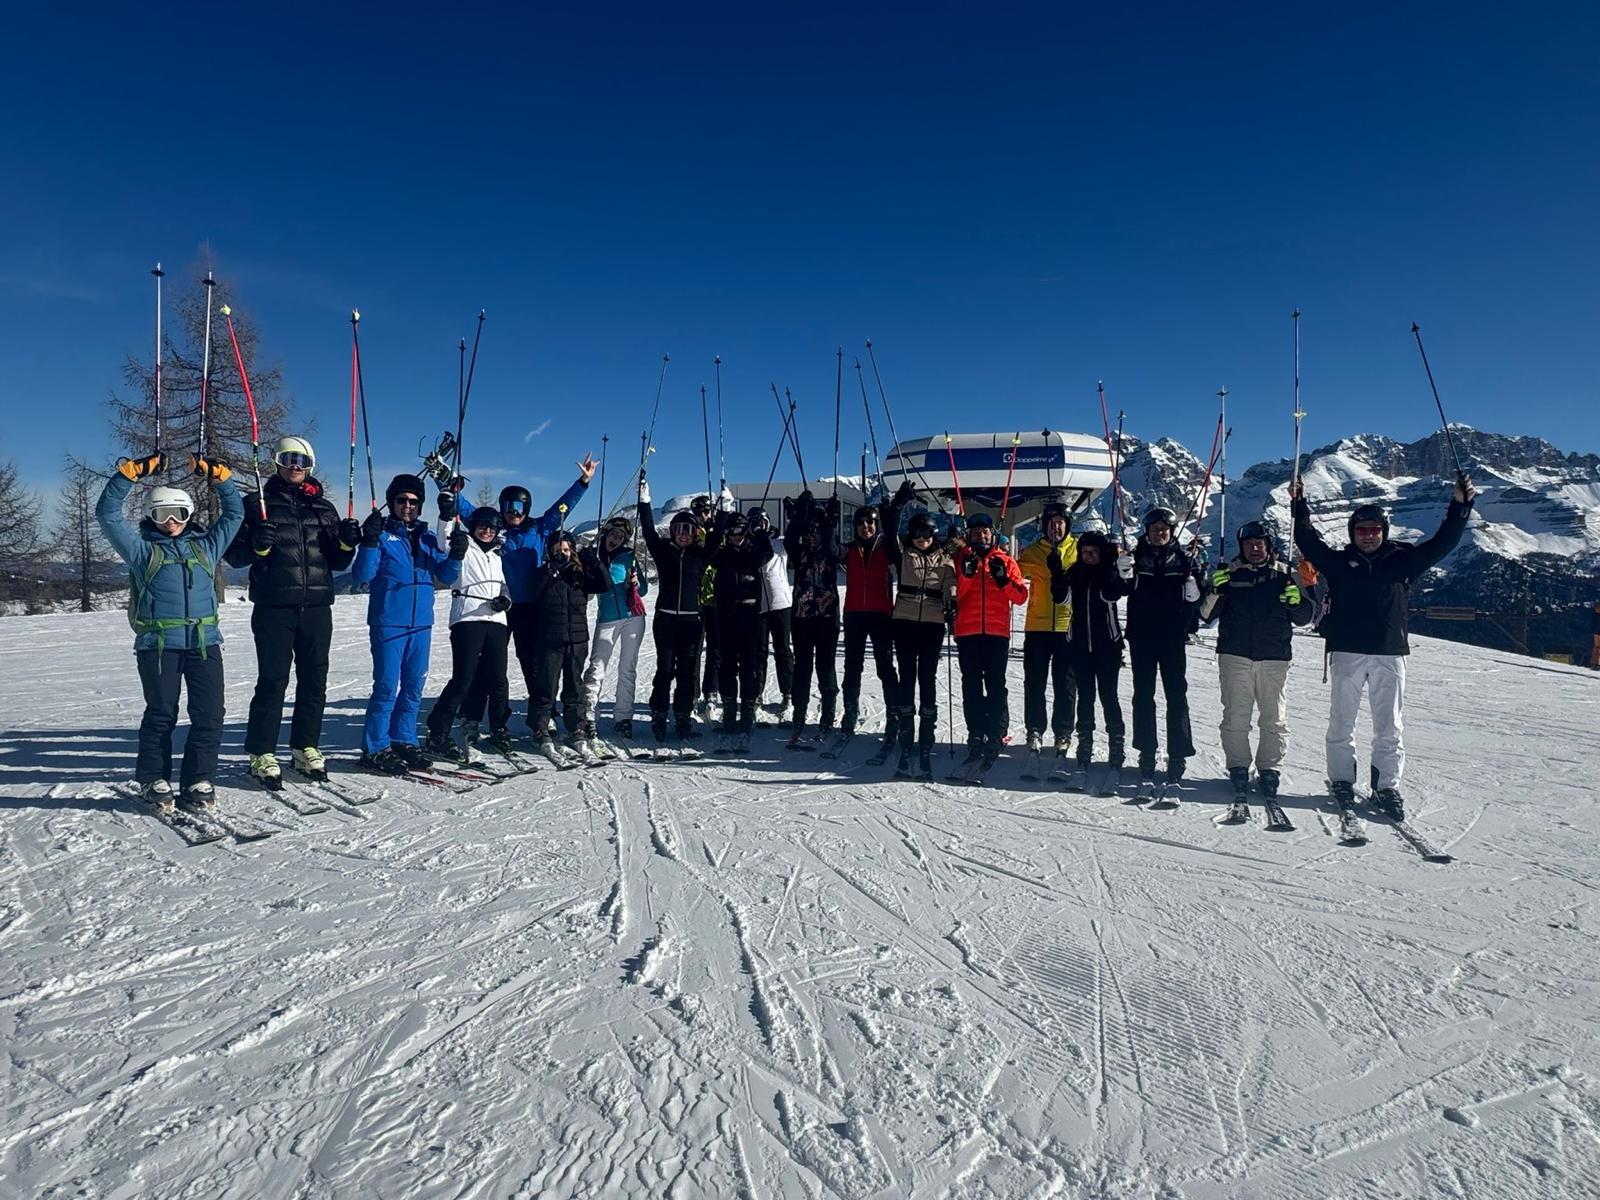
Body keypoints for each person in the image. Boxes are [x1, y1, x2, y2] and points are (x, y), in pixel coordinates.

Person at [1292, 476, 1476, 819]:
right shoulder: (1338, 562)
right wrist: (1299, 502)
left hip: (1390, 653)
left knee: (1389, 725)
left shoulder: (1403, 561)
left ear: (1384, 531)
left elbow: (1443, 543)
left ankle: (1386, 787)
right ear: (1352, 533)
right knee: (1341, 721)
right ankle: (1342, 782)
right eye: (1361, 530)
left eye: (1374, 529)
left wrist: (1461, 505)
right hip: (1346, 650)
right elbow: (1307, 540)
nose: (1368, 535)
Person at [97, 452, 243, 809]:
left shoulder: (207, 547)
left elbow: (235, 513)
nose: (172, 521)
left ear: (190, 514)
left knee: (210, 714)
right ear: (152, 516)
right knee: (161, 712)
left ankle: (198, 779)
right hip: (159, 645)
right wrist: (128, 476)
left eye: (179, 513)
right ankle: (154, 778)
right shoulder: (143, 552)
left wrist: (219, 478)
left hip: (205, 644)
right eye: (163, 514)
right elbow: (107, 515)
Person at [224, 436, 360, 787]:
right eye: (288, 458)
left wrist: (347, 541)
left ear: (310, 464)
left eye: (301, 460)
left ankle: (305, 746)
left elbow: (339, 561)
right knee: (273, 680)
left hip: (316, 606)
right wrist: (259, 546)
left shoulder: (324, 508)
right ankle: (262, 752)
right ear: (276, 462)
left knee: (315, 681)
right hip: (274, 606)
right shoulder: (256, 504)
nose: (295, 466)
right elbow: (235, 556)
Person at [453, 457, 594, 736]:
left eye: (518, 507)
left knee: (535, 664)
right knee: (487, 664)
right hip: (497, 608)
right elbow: (467, 510)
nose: (513, 512)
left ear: (526, 508)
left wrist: (583, 482)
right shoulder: (494, 529)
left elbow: (561, 508)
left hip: (532, 607)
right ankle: (472, 714)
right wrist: (449, 487)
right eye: (508, 506)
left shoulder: (539, 529)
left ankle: (543, 713)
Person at [352, 474, 466, 774]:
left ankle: (403, 738)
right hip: (389, 623)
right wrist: (369, 540)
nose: (407, 506)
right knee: (387, 686)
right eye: (401, 501)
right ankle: (375, 746)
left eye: (414, 502)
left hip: (421, 624)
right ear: (391, 503)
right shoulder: (383, 536)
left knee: (414, 685)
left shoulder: (428, 539)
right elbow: (363, 575)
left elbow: (447, 575)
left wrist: (456, 554)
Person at [1198, 520, 1313, 799]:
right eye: (1249, 545)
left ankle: (1270, 769)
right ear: (1242, 548)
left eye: (1259, 544)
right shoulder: (1230, 574)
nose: (1255, 549)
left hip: (1274, 657)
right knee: (1236, 716)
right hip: (1234, 655)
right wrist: (1215, 589)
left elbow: (1305, 617)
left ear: (1268, 546)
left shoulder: (1285, 574)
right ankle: (1238, 766)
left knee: (1274, 719)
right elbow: (1204, 615)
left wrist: (1297, 600)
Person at [423, 506, 513, 761]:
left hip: (496, 620)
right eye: (483, 526)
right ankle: (437, 731)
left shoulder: (496, 556)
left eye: (492, 528)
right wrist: (445, 515)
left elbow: (503, 585)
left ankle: (499, 727)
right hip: (468, 618)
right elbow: (444, 539)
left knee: (498, 679)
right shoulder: (464, 546)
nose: (487, 531)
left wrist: (506, 601)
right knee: (464, 678)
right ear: (474, 526)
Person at [1124, 506, 1201, 796]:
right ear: (1147, 531)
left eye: (1164, 530)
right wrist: (1123, 574)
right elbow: (1120, 588)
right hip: (1142, 636)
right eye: (1155, 529)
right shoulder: (1134, 557)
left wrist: (1196, 590)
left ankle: (1178, 753)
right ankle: (1146, 750)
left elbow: (1197, 598)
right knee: (1143, 695)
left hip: (1172, 637)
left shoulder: (1184, 560)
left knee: (1176, 695)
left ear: (1171, 533)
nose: (1159, 533)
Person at [1051, 529, 1130, 789]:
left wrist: (1113, 570)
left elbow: (1113, 595)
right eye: (1085, 552)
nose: (1089, 556)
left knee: (1109, 697)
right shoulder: (1076, 573)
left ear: (1102, 552)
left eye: (1094, 552)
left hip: (1107, 646)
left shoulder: (1108, 573)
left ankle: (1116, 752)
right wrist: (1057, 575)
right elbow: (1061, 600)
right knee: (1085, 697)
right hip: (1080, 646)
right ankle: (1084, 750)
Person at [950, 513, 1029, 774]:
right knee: (971, 685)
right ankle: (975, 732)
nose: (980, 536)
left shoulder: (1005, 561)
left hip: (996, 633)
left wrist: (1003, 580)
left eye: (985, 532)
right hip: (968, 631)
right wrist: (968, 574)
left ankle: (997, 732)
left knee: (996, 685)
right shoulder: (961, 560)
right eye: (975, 533)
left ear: (992, 534)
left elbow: (1019, 597)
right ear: (969, 536)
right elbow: (954, 594)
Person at [638, 478, 711, 748]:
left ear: (694, 533)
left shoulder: (700, 554)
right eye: (678, 528)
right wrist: (645, 500)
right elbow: (647, 529)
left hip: (692, 621)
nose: (683, 533)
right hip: (666, 619)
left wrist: (722, 514)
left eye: (688, 529)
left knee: (687, 672)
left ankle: (683, 717)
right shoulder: (664, 551)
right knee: (665, 669)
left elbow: (716, 539)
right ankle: (659, 714)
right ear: (672, 531)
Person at [838, 481, 912, 743]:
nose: (866, 527)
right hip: (855, 614)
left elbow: (893, 536)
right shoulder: (848, 550)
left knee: (884, 667)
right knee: (852, 667)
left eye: (870, 522)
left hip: (882, 615)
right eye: (861, 523)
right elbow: (827, 547)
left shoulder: (887, 549)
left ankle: (893, 714)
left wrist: (895, 509)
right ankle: (850, 711)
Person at [525, 528, 608, 760]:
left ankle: (576, 727)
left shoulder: (579, 573)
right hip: (550, 639)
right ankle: (540, 726)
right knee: (546, 686)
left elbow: (604, 585)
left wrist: (595, 562)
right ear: (550, 551)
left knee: (575, 687)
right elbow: (533, 592)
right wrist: (551, 570)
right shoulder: (544, 573)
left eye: (567, 549)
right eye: (558, 549)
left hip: (577, 640)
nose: (563, 553)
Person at [889, 510, 956, 777]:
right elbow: (889, 528)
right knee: (906, 675)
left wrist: (952, 603)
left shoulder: (945, 558)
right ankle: (906, 734)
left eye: (926, 533)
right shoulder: (904, 554)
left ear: (934, 534)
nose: (921, 539)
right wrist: (895, 505)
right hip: (904, 620)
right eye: (916, 534)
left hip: (932, 622)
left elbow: (951, 582)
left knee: (927, 677)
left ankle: (927, 735)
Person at [706, 497, 776, 743]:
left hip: (749, 615)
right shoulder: (722, 554)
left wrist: (759, 532)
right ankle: (729, 710)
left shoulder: (753, 552)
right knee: (726, 665)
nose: (736, 536)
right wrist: (718, 523)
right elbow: (709, 553)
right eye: (731, 531)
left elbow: (766, 553)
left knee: (749, 665)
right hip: (725, 614)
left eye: (740, 531)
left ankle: (747, 709)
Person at [1018, 502, 1078, 762]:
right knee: (1034, 682)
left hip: (1067, 626)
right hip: (1037, 626)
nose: (1056, 527)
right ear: (1044, 526)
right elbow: (1015, 573)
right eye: (1051, 523)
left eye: (1061, 523)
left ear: (1067, 525)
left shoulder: (1077, 550)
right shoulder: (1032, 552)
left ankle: (1063, 732)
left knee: (1065, 685)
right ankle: (1035, 729)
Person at [783, 492, 843, 746]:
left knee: (826, 667)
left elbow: (832, 547)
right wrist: (797, 517)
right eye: (809, 532)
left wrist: (830, 522)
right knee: (803, 668)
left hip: (827, 618)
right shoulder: (800, 554)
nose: (811, 536)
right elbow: (789, 541)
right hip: (802, 618)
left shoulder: (832, 552)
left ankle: (827, 715)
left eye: (816, 531)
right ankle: (799, 713)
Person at [582, 515, 649, 740]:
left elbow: (646, 589)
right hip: (607, 617)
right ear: (605, 534)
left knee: (627, 668)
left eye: (621, 537)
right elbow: (587, 590)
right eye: (613, 534)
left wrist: (636, 585)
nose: (616, 539)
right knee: (596, 667)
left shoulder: (629, 557)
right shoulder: (594, 556)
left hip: (634, 617)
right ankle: (589, 716)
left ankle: (623, 718)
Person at [749, 505, 794, 721]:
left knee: (783, 650)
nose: (759, 527)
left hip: (781, 604)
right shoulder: (750, 546)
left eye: (762, 523)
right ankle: (756, 694)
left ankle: (788, 693)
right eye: (755, 524)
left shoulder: (778, 543)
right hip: (759, 607)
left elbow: (791, 542)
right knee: (759, 652)